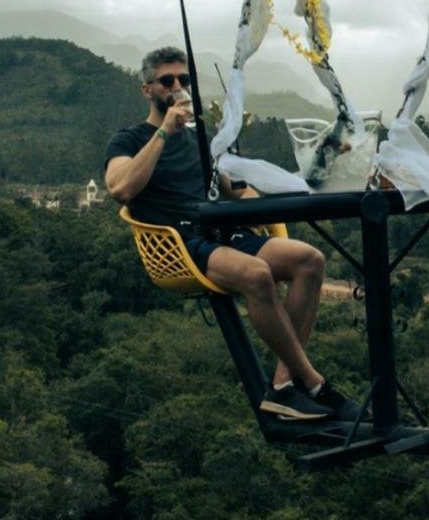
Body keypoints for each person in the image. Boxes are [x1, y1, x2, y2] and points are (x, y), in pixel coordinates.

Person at [105, 47, 357, 422]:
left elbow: (234, 189)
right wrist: (163, 132)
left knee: (310, 260)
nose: (177, 87)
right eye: (167, 81)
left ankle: (285, 387)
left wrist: (266, 192)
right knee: (256, 274)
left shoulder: (202, 142)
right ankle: (315, 383)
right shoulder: (130, 140)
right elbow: (121, 188)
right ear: (148, 90)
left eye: (184, 80)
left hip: (227, 234)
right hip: (184, 243)